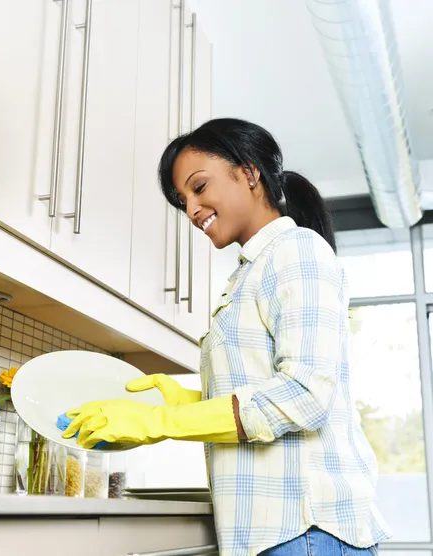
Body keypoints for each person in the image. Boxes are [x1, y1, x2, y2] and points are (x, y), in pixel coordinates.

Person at [63, 118, 392, 555]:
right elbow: (260, 392)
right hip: (275, 532)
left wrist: (161, 424)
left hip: (307, 530)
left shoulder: (297, 250)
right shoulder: (249, 274)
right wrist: (183, 403)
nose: (192, 209)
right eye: (183, 200)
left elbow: (305, 396)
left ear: (250, 172)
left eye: (199, 187)